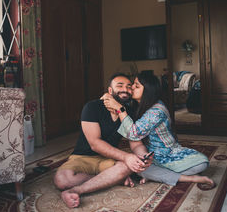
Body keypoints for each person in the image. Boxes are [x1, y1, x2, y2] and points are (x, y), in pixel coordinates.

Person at [53, 73, 153, 208]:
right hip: (83, 156)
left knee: (128, 165)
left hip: (108, 159)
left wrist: (142, 157)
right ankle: (112, 178)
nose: (125, 89)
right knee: (61, 180)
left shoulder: (128, 111)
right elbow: (95, 144)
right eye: (120, 85)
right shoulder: (92, 107)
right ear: (110, 91)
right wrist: (126, 156)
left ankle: (77, 190)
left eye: (129, 86)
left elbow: (135, 142)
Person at [102, 72, 214, 187]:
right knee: (138, 167)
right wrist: (108, 95)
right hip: (151, 154)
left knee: (202, 163)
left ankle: (156, 175)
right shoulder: (137, 104)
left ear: (147, 90)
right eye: (133, 85)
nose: (131, 89)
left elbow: (133, 133)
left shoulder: (156, 111)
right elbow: (116, 98)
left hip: (169, 154)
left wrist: (120, 110)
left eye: (136, 86)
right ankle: (186, 178)